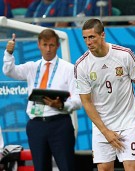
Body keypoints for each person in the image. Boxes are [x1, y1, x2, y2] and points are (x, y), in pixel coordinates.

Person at [74, 18, 135, 171]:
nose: (88, 42)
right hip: (102, 126)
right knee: (104, 169)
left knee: (132, 168)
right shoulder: (81, 65)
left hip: (127, 123)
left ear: (102, 35)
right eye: (85, 38)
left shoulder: (125, 55)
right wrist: (105, 131)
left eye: (92, 37)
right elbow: (86, 102)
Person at [2, 29, 82, 171]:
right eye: (45, 45)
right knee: (40, 168)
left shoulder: (69, 69)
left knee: (67, 167)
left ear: (57, 45)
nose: (48, 49)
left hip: (59, 123)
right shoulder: (32, 67)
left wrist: (62, 105)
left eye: (51, 45)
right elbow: (9, 71)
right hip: (36, 125)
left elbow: (78, 100)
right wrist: (8, 54)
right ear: (39, 45)